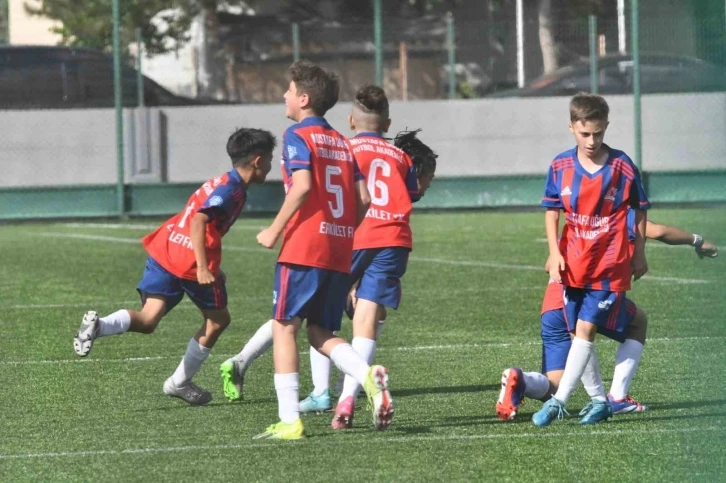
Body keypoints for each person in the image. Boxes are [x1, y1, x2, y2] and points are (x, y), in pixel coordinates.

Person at [72, 127, 276, 405]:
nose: (272, 166)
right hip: (189, 262)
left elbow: (201, 221)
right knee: (218, 320)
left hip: (166, 249)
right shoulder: (232, 190)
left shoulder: (221, 181)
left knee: (148, 320)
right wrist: (203, 267)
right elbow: (199, 221)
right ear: (258, 161)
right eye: (270, 159)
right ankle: (179, 382)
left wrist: (212, 264)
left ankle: (100, 326)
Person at [250, 61, 393, 441]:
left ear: (303, 98)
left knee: (284, 326)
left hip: (304, 246)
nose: (284, 95)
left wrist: (274, 229)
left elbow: (302, 186)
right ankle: (367, 376)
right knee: (320, 330)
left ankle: (289, 420)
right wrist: (344, 231)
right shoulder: (342, 142)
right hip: (339, 246)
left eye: (288, 89)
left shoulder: (297, 134)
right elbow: (364, 198)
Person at [496, 216, 718, 420]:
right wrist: (697, 240)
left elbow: (549, 265)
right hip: (584, 296)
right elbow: (658, 231)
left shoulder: (575, 215)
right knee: (637, 322)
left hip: (552, 303)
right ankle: (616, 397)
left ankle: (521, 379)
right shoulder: (614, 209)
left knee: (554, 386)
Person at [533, 92, 650, 426]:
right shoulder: (560, 166)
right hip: (573, 262)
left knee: (586, 329)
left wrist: (639, 252)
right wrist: (554, 252)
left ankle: (559, 401)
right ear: (572, 127)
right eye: (585, 133)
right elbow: (551, 211)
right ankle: (601, 400)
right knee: (577, 333)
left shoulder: (622, 166)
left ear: (606, 127)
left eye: (598, 133)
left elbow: (640, 209)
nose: (592, 141)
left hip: (609, 264)